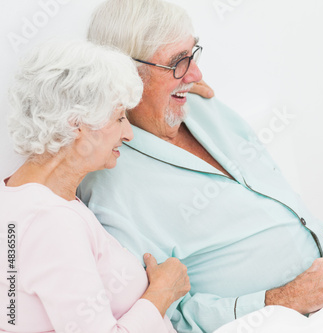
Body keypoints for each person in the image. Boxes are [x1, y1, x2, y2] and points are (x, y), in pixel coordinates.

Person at [78, 0, 323, 331]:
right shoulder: (110, 182)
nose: (196, 74)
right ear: (125, 75)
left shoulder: (204, 109)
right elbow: (169, 315)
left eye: (193, 54)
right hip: (276, 321)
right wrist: (282, 299)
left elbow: (272, 199)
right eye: (178, 62)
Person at [0, 40, 191, 332]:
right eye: (118, 118)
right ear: (76, 123)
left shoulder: (23, 196)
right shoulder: (49, 223)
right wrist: (162, 293)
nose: (128, 134)